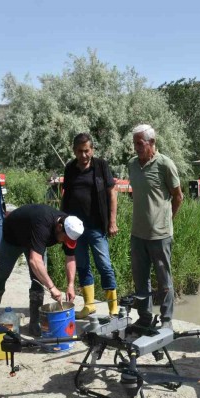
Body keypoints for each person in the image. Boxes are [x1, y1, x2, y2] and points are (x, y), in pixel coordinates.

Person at [0, 204, 84, 336]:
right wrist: (52, 287)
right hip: (13, 236)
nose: (64, 242)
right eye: (64, 239)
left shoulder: (69, 229)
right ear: (59, 227)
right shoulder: (43, 224)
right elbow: (35, 261)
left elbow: (70, 257)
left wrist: (71, 285)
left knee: (37, 279)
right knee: (3, 272)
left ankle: (34, 323)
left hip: (34, 237)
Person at [128, 124, 184, 329]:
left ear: (152, 143)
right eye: (135, 143)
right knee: (140, 279)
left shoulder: (165, 165)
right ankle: (144, 318)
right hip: (138, 233)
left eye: (140, 143)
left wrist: (167, 221)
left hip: (160, 235)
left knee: (164, 279)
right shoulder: (132, 165)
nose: (136, 147)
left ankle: (166, 320)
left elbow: (178, 197)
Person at [61, 133, 119, 319]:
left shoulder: (101, 166)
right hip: (75, 230)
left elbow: (112, 193)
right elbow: (66, 195)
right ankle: (89, 305)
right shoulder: (70, 168)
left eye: (87, 151)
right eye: (80, 151)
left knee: (105, 266)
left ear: (92, 150)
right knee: (83, 266)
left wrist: (112, 222)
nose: (84, 155)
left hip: (96, 227)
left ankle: (113, 308)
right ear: (74, 151)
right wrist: (62, 221)